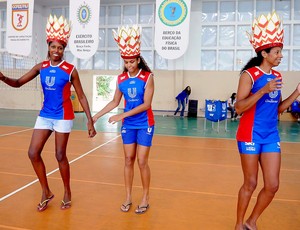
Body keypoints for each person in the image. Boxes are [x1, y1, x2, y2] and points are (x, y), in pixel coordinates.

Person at [0, 14, 96, 212]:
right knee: (33, 153)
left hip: (62, 116)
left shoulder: (70, 70)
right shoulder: (41, 67)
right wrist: (2, 77)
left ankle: (67, 192)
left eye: (60, 48)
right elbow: (17, 83)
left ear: (63, 50)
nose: (56, 50)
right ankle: (46, 191)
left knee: (60, 154)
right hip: (45, 115)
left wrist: (89, 121)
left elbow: (82, 96)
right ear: (48, 47)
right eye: (53, 47)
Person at [234, 12, 300, 230]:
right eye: (277, 52)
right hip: (250, 134)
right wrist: (263, 90)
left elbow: (278, 109)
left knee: (272, 185)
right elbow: (239, 107)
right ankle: (238, 224)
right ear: (264, 53)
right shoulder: (249, 75)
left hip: (271, 135)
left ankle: (252, 222)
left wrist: (296, 93)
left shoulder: (278, 77)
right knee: (250, 183)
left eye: (281, 51)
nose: (281, 55)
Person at [93, 25, 155, 214]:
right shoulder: (121, 79)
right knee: (128, 159)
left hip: (144, 123)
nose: (129, 65)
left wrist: (122, 115)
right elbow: (114, 101)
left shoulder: (148, 77)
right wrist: (96, 116)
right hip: (129, 125)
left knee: (142, 161)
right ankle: (128, 197)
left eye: (131, 61)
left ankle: (145, 197)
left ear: (138, 59)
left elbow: (146, 104)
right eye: (126, 62)